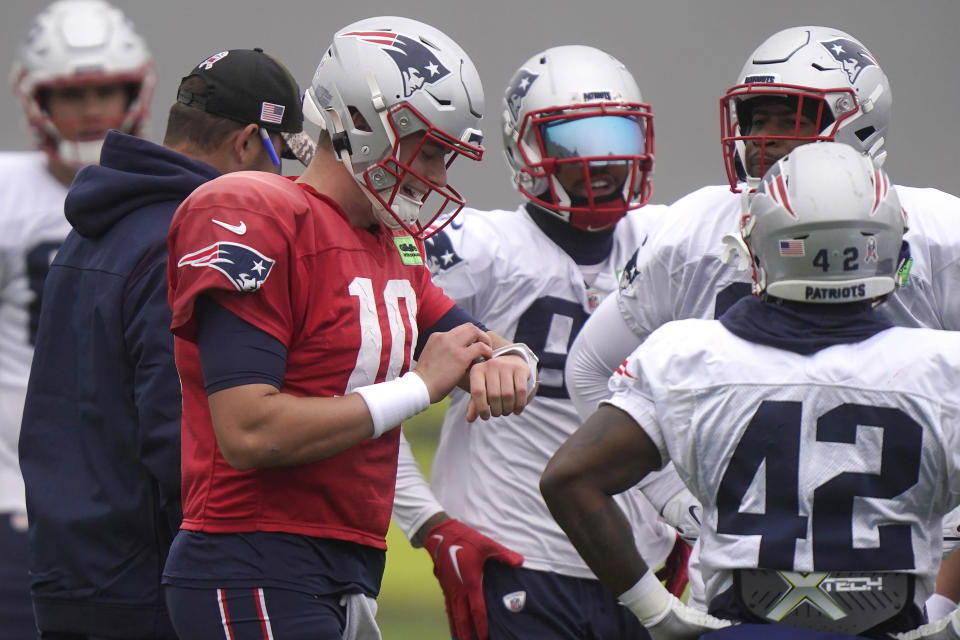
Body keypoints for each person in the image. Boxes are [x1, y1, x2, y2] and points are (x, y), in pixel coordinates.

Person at [159, 17, 536, 640]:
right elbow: (249, 430)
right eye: (431, 151)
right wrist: (420, 387)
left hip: (343, 563)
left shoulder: (389, 242)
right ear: (365, 125)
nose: (439, 176)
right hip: (250, 552)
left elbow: (466, 344)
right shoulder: (255, 211)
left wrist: (511, 356)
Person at [563, 24, 960, 611]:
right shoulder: (692, 232)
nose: (762, 140)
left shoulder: (939, 236)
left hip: (894, 574)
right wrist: (674, 498)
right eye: (754, 120)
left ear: (858, 126)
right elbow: (591, 368)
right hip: (742, 581)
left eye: (789, 119)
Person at [390, 44, 684, 640]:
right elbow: (363, 384)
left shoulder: (673, 241)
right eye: (578, 142)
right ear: (526, 149)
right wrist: (429, 521)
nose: (602, 161)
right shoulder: (481, 250)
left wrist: (690, 519)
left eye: (616, 137)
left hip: (644, 565)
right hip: (520, 560)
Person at [18, 47, 312, 640]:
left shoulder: (96, 226)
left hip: (71, 570)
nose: (286, 181)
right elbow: (183, 437)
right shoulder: (186, 236)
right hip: (150, 580)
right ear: (249, 141)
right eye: (284, 156)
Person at [0, 0, 153, 635]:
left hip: (134, 503)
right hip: (15, 500)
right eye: (74, 93)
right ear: (39, 102)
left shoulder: (169, 193)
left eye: (106, 89)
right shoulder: (8, 195)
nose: (92, 108)